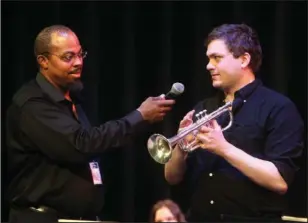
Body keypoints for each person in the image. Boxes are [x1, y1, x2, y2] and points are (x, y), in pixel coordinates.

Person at [6, 25, 175, 223]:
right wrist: (139, 116)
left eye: (80, 54)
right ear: (43, 61)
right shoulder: (32, 104)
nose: (78, 62)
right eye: (68, 57)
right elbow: (82, 144)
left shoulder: (72, 98)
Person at [164, 23, 304, 222]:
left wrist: (223, 148)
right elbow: (172, 177)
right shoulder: (204, 107)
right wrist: (181, 148)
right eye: (208, 58)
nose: (209, 65)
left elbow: (280, 181)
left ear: (244, 59)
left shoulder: (278, 108)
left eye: (217, 58)